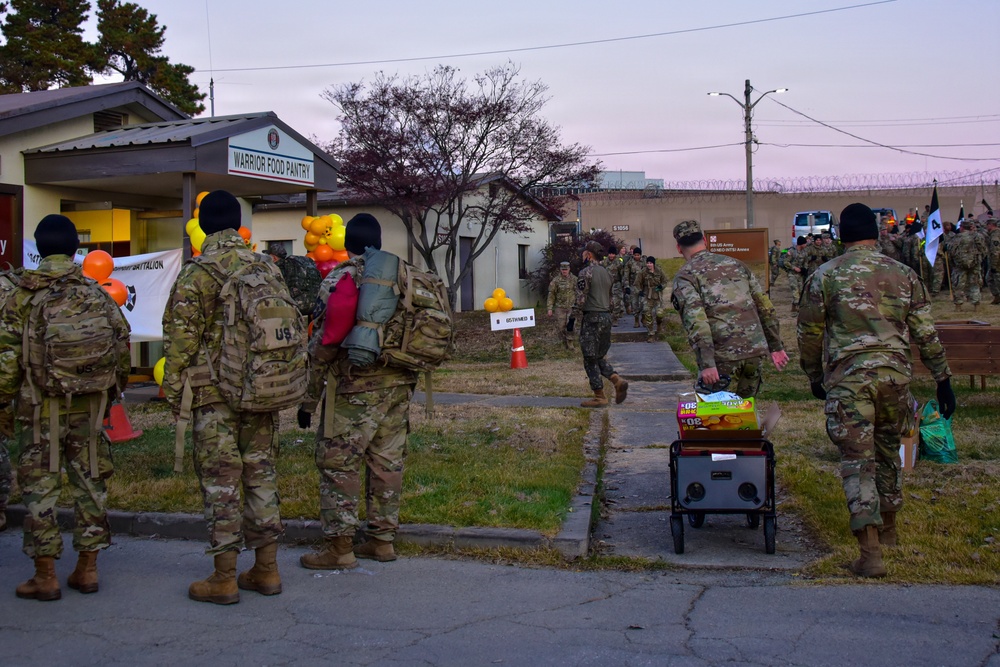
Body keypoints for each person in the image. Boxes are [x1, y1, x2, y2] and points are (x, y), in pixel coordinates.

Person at [798, 203, 954, 578]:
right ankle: (890, 532)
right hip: (895, 378)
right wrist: (943, 379)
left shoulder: (824, 276)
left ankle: (870, 553)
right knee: (887, 451)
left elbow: (809, 334)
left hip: (850, 380)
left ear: (839, 236)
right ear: (878, 233)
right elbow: (925, 332)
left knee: (857, 460)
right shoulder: (903, 274)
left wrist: (815, 377)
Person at [163, 190, 287, 605]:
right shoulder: (266, 267)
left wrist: (174, 388)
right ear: (237, 224)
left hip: (212, 396)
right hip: (261, 391)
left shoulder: (198, 271)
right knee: (260, 474)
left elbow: (180, 340)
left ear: (204, 225)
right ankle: (267, 570)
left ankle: (224, 577)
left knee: (222, 482)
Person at [0, 215, 131, 601]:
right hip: (88, 405)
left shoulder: (21, 296)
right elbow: (121, 350)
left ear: (38, 250)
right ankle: (87, 569)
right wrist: (109, 395)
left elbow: (7, 360)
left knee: (41, 489)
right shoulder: (95, 292)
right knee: (89, 483)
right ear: (76, 250)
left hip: (38, 407)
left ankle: (45, 576)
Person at [298, 213, 417, 568]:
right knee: (387, 462)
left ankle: (340, 548)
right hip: (398, 384)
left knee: (339, 463)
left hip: (353, 386)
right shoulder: (404, 276)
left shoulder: (341, 276)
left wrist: (309, 397)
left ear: (347, 243)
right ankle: (382, 541)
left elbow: (324, 340)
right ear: (379, 242)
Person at [670, 219, 789, 398]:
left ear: (679, 248)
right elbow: (765, 307)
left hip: (722, 356)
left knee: (714, 416)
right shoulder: (737, 265)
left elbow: (697, 322)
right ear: (705, 240)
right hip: (754, 351)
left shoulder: (686, 276)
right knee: (744, 414)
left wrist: (707, 363)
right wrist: (776, 346)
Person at [572, 241, 628, 408]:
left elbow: (581, 298)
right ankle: (616, 380)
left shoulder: (586, 272)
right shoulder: (606, 273)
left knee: (589, 358)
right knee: (598, 357)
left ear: (589, 255)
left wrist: (572, 319)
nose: (582, 255)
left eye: (584, 253)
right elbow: (611, 300)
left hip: (592, 317)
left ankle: (599, 396)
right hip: (606, 317)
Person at [269, 243, 322, 318]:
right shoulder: (299, 262)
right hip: (316, 303)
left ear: (274, 258)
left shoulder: (279, 268)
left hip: (297, 305)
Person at [633, 255, 669, 342]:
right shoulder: (643, 272)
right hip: (647, 296)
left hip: (657, 296)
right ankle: (651, 334)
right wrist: (639, 291)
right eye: (647, 263)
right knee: (647, 314)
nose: (649, 265)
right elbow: (636, 283)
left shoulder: (659, 271)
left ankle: (659, 324)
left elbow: (665, 281)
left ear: (653, 264)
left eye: (650, 263)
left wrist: (662, 286)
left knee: (659, 314)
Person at [546, 261, 576, 349]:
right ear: (560, 270)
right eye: (563, 270)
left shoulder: (574, 279)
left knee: (571, 326)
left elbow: (579, 292)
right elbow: (551, 294)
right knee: (561, 326)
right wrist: (549, 308)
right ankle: (564, 342)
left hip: (571, 307)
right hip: (560, 307)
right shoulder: (556, 280)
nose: (564, 271)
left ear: (569, 269)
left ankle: (570, 342)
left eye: (566, 269)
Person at [601, 246, 626, 324]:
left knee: (616, 302)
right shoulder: (604, 262)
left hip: (616, 284)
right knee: (606, 302)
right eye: (610, 254)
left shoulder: (619, 263)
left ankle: (615, 318)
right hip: (606, 284)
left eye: (613, 254)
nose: (611, 255)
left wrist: (624, 285)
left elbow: (623, 274)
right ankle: (608, 317)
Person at [784, 236, 808, 313]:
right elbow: (786, 262)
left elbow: (806, 262)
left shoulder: (804, 252)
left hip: (800, 275)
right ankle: (798, 307)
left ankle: (794, 306)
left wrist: (804, 269)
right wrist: (794, 268)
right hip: (792, 274)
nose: (806, 245)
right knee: (795, 290)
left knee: (801, 290)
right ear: (801, 244)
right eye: (805, 243)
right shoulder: (792, 251)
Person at [622, 247, 645, 327]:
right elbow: (626, 275)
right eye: (635, 255)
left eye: (638, 255)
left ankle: (644, 318)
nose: (636, 256)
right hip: (633, 286)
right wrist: (627, 286)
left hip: (642, 287)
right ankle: (636, 320)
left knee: (643, 303)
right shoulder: (629, 263)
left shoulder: (644, 263)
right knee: (634, 304)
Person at [986, 219, 1000, 304]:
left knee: (997, 280)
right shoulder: (993, 234)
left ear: (991, 225)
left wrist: (994, 265)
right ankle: (997, 296)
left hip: (997, 262)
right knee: (989, 279)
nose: (986, 227)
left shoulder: (995, 235)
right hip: (995, 261)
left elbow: (996, 251)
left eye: (987, 225)